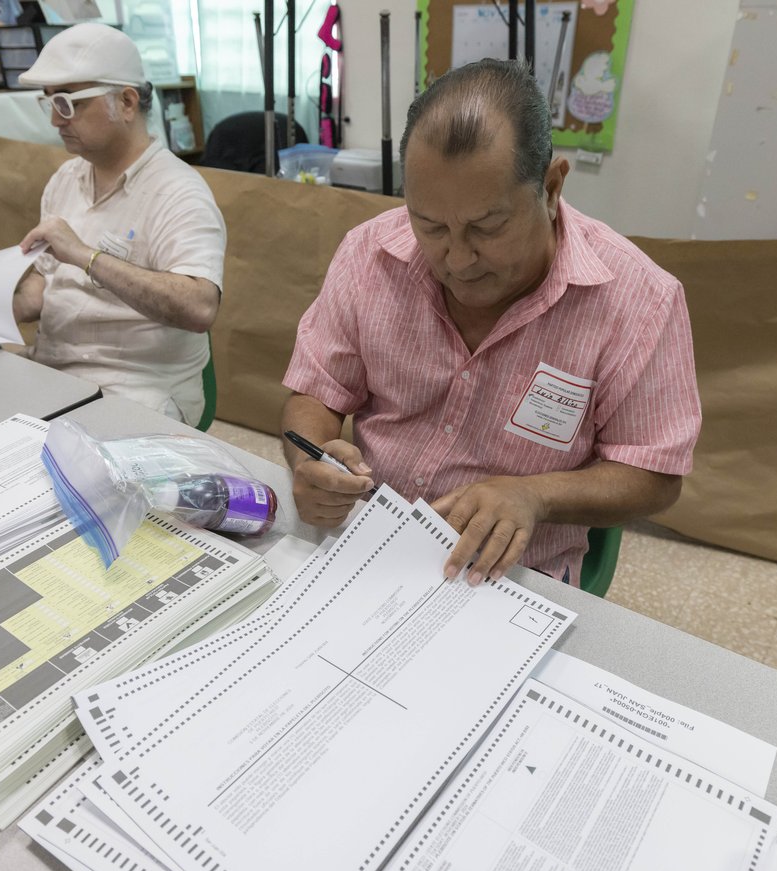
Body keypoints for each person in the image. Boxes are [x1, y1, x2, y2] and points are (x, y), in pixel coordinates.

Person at [282, 59, 701, 587]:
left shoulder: (639, 301)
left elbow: (655, 475)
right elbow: (315, 392)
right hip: (370, 541)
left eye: (487, 226)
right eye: (429, 225)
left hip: (512, 575)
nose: (457, 258)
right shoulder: (370, 252)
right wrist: (312, 460)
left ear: (550, 188)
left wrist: (535, 494)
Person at [12, 25, 225, 425]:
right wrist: (8, 300)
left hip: (136, 385)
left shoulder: (178, 193)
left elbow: (199, 307)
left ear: (126, 102)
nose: (57, 121)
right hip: (55, 365)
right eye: (50, 105)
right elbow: (45, 279)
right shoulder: (66, 180)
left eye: (67, 103)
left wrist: (84, 255)